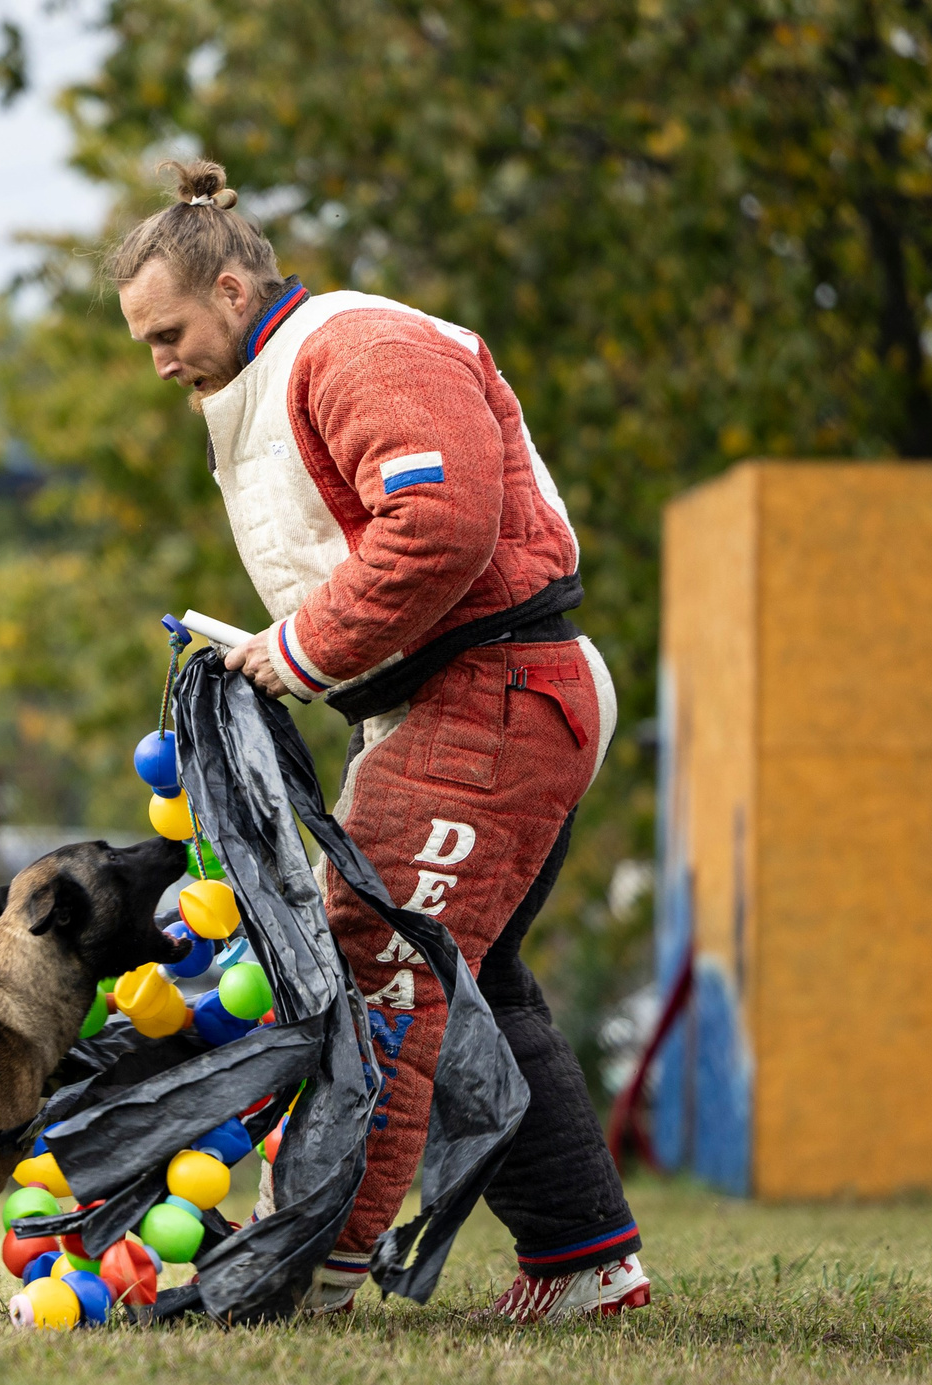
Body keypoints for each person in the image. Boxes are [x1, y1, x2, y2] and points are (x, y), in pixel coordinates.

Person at [111, 161, 649, 1322]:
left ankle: (310, 1263)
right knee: (469, 978)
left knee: (375, 973)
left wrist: (299, 650)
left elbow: (439, 522)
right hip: (464, 696)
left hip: (491, 693)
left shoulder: (358, 349)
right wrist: (288, 648)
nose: (157, 362)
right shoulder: (278, 371)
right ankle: (584, 1260)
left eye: (168, 331)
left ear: (236, 281)